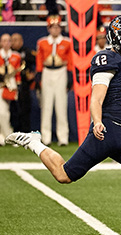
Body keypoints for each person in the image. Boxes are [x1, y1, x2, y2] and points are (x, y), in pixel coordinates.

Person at [6, 14, 121, 235]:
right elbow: (96, 97)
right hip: (107, 132)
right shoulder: (107, 58)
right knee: (64, 175)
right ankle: (34, 142)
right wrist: (96, 122)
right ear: (117, 39)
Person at [35, 14, 73, 146]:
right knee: (46, 106)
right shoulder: (42, 42)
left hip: (60, 71)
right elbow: (39, 59)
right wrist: (39, 74)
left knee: (61, 106)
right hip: (47, 72)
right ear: (48, 28)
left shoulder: (67, 42)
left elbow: (70, 60)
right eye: (53, 27)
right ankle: (46, 137)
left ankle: (63, 137)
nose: (55, 30)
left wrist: (69, 75)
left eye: (57, 27)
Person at [11, 33, 36, 132]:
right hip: (11, 84)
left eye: (16, 40)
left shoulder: (27, 52)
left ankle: (26, 132)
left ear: (21, 41)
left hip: (24, 84)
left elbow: (37, 63)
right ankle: (14, 132)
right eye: (12, 40)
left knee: (25, 109)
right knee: (13, 110)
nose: (13, 42)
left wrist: (33, 74)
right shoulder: (8, 53)